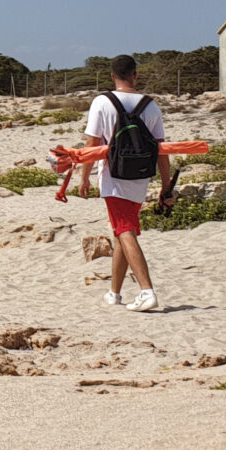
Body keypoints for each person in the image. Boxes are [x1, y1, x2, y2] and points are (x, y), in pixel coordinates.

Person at [79, 55, 168, 312]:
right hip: (140, 176)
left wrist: (84, 177)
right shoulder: (151, 106)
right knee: (121, 231)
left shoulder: (102, 102)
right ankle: (114, 293)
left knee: (124, 229)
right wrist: (165, 185)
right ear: (135, 75)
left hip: (113, 176)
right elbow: (162, 150)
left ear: (112, 76)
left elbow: (91, 144)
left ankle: (146, 290)